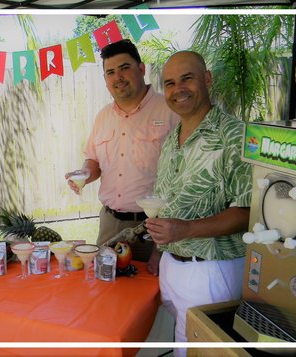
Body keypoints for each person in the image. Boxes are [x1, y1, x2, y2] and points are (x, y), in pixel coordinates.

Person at [145, 51, 252, 354]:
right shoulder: (171, 139)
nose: (177, 89)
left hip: (211, 271)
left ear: (207, 79)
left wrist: (186, 230)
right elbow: (166, 203)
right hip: (171, 265)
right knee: (181, 343)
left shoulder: (236, 135)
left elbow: (247, 211)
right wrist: (158, 250)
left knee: (194, 351)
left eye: (187, 78)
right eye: (169, 83)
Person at [66, 39, 179, 275]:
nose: (118, 77)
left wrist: (162, 247)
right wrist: (85, 174)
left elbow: (183, 174)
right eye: (110, 72)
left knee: (152, 294)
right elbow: (94, 160)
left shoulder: (170, 111)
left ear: (141, 69)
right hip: (110, 223)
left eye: (124, 68)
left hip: (152, 226)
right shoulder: (103, 116)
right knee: (105, 289)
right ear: (106, 80)